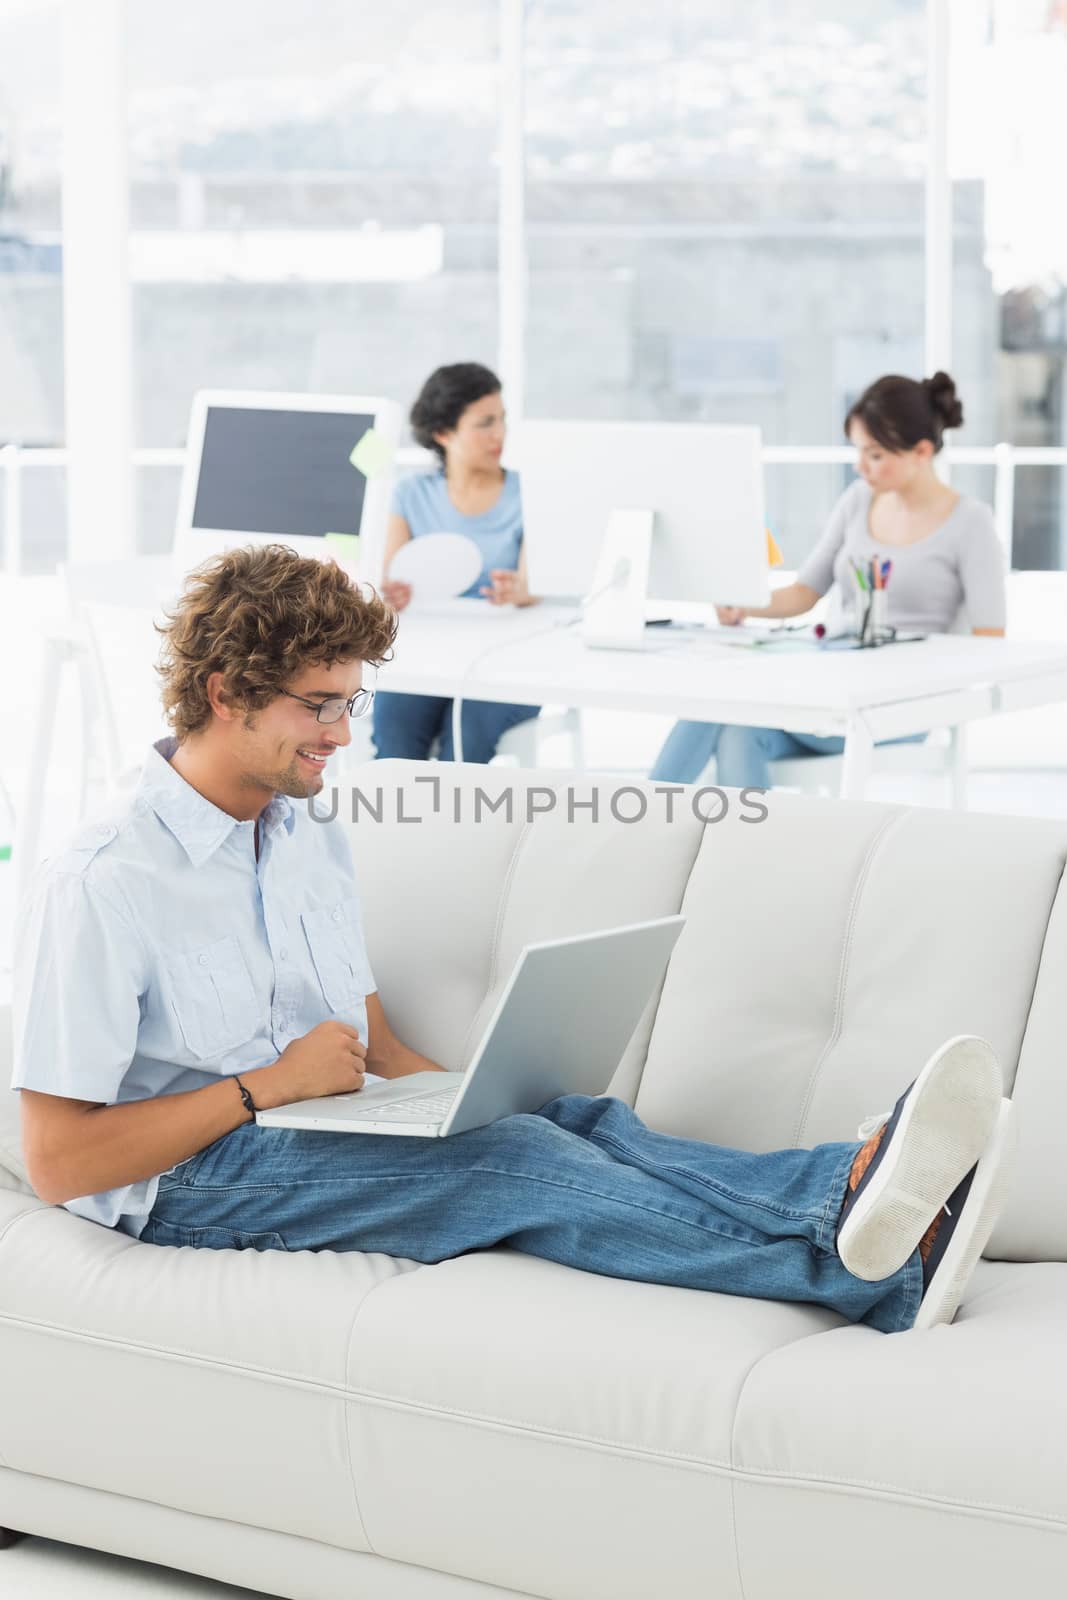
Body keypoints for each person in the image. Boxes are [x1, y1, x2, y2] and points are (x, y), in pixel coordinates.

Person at [11, 545, 1015, 1335]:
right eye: (318, 705)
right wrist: (262, 1087)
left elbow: (363, 1028)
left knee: (562, 1120)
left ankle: (842, 1188)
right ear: (226, 691)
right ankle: (867, 1261)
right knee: (505, 1168)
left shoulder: (303, 824)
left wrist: (459, 1094)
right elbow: (57, 1161)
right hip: (187, 1180)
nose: (343, 733)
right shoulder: (109, 878)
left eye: (350, 702)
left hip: (308, 1123)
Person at [651, 371, 1007, 788]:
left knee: (721, 706)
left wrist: (916, 662)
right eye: (858, 452)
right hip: (834, 682)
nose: (861, 467)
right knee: (737, 730)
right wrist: (744, 603)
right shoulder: (858, 501)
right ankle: (746, 851)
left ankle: (634, 830)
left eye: (874, 455)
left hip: (900, 707)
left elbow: (989, 638)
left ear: (921, 451)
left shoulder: (971, 523)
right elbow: (805, 592)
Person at [372, 362, 540, 763]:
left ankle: (453, 828)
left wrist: (521, 591)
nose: (500, 433)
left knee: (465, 735)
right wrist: (389, 593)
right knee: (393, 726)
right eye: (484, 423)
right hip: (429, 660)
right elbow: (387, 581)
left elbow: (540, 584)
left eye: (502, 420)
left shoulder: (528, 492)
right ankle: (394, 827)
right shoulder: (410, 494)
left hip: (503, 666)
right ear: (444, 433)